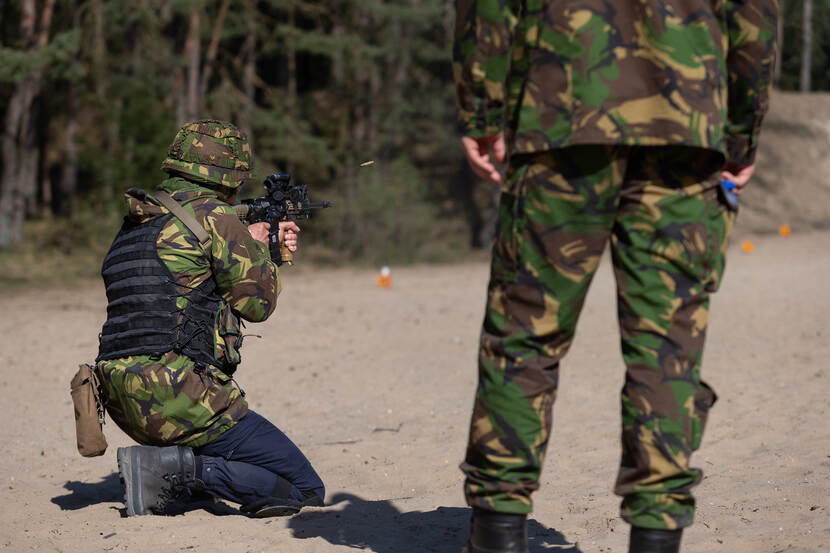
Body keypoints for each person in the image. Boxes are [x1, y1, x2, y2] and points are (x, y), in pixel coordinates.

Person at [453, 1, 777, 552]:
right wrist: (741, 133)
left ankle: (497, 532)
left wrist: (480, 114)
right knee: (667, 346)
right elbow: (756, 18)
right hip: (685, 124)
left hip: (562, 115)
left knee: (525, 332)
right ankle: (656, 534)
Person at [95, 119, 325, 517]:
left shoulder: (137, 221)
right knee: (305, 488)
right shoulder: (216, 218)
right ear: (230, 176)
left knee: (215, 479)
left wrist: (246, 240)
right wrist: (260, 250)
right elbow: (258, 305)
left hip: (121, 399)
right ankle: (176, 472)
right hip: (179, 398)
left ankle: (176, 474)